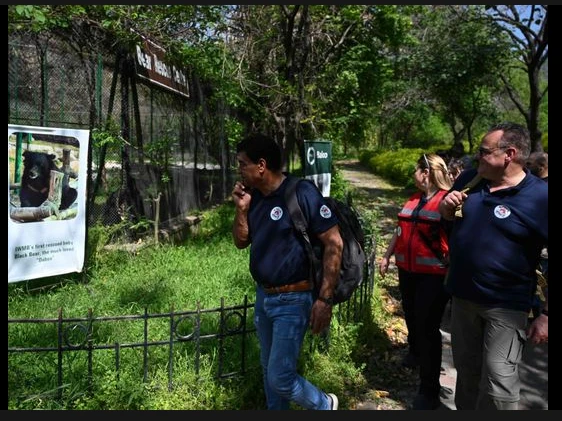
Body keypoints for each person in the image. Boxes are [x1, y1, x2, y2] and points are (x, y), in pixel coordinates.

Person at [438, 122, 548, 410]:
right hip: (462, 300)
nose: (476, 157)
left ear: (509, 154)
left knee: (499, 384)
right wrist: (446, 210)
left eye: (484, 152)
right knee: (468, 376)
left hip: (506, 306)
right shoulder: (470, 180)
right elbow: (449, 224)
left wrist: (546, 315)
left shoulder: (540, 197)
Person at [231, 133, 343, 410]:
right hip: (264, 297)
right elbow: (241, 242)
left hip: (294, 299)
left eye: (242, 164)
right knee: (271, 377)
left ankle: (325, 405)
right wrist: (242, 210)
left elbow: (334, 243)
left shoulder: (301, 192)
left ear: (261, 165)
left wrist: (324, 300)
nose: (239, 170)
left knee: (280, 377)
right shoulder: (253, 197)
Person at [378, 153, 453, 410]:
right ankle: (415, 352)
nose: (414, 174)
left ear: (427, 172)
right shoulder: (413, 199)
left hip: (433, 277)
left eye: (416, 169)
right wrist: (387, 256)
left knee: (428, 327)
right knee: (410, 314)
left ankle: (429, 389)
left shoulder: (447, 203)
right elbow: (400, 230)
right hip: (407, 271)